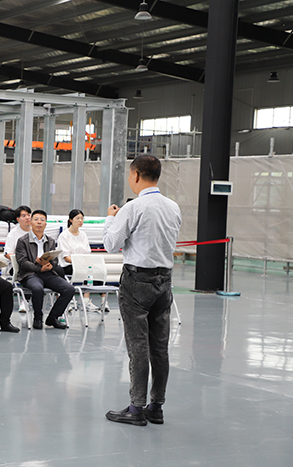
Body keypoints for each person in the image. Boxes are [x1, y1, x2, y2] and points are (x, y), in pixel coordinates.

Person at [103, 155, 181, 427]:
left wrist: (110, 218)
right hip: (164, 281)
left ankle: (136, 408)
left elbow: (111, 244)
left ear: (135, 175)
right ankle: (156, 406)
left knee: (138, 347)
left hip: (137, 281)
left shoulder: (133, 208)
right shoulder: (173, 207)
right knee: (160, 347)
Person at [15, 210, 75, 330]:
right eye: (36, 219)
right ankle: (38, 317)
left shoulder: (51, 241)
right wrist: (39, 268)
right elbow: (22, 262)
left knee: (69, 289)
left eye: (42, 220)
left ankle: (53, 317)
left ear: (46, 224)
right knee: (37, 288)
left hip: (47, 273)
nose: (39, 222)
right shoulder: (22, 241)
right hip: (30, 274)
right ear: (31, 222)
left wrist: (50, 266)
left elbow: (55, 260)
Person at [57, 208, 106, 312]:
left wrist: (85, 262)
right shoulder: (64, 235)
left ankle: (101, 301)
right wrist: (79, 262)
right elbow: (66, 257)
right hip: (68, 265)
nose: (80, 221)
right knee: (87, 271)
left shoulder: (83, 235)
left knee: (97, 271)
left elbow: (87, 253)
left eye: (82, 218)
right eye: (77, 218)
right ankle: (83, 301)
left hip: (83, 264)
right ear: (71, 220)